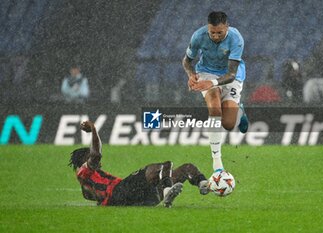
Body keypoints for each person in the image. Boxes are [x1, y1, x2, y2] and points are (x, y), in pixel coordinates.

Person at [69, 121, 209, 208]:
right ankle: (167, 191)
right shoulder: (83, 172)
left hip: (139, 197)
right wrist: (93, 128)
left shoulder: (89, 182)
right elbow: (96, 155)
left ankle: (205, 185)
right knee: (159, 167)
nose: (98, 162)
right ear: (83, 160)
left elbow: (92, 195)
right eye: (89, 155)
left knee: (186, 168)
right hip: (118, 192)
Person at [182, 11, 248, 173]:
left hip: (231, 75)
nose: (216, 36)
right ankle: (217, 163)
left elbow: (231, 74)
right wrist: (191, 75)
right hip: (206, 72)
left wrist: (209, 83)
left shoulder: (236, 38)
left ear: (227, 26)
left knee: (228, 123)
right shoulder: (198, 36)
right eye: (212, 32)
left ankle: (240, 112)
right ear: (208, 28)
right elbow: (186, 61)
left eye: (220, 32)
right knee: (215, 110)